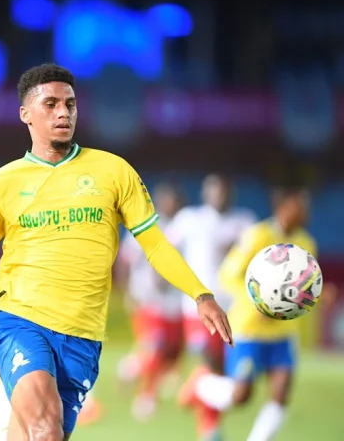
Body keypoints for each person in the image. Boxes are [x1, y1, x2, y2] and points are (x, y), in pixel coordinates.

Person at [0, 63, 232, 441]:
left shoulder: (114, 171)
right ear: (25, 114)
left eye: (70, 104)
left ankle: (2, 393)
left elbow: (154, 244)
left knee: (42, 435)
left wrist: (201, 295)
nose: (63, 113)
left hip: (83, 339)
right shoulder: (0, 185)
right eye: (51, 104)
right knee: (44, 431)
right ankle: (10, 389)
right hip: (22, 323)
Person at [178, 186, 325, 441]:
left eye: (306, 208)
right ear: (283, 207)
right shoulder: (258, 235)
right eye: (300, 207)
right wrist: (260, 303)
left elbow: (302, 288)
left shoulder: (306, 243)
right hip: (250, 329)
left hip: (283, 331)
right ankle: (200, 385)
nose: (305, 213)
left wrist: (316, 295)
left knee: (281, 393)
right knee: (241, 396)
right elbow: (228, 274)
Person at [77, 182, 186, 425]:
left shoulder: (180, 227)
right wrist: (126, 290)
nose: (171, 204)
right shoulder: (144, 225)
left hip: (173, 301)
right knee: (156, 347)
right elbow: (126, 261)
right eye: (167, 200)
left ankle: (130, 368)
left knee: (171, 350)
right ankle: (146, 398)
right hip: (146, 299)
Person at [168, 174, 256, 439]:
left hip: (234, 309)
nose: (220, 197)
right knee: (208, 361)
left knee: (220, 371)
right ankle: (209, 428)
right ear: (205, 194)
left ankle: (199, 394)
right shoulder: (190, 219)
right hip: (198, 305)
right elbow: (165, 249)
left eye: (224, 192)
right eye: (215, 191)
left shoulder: (245, 222)